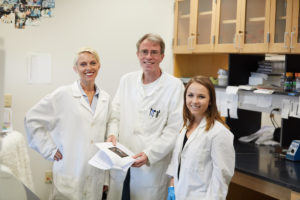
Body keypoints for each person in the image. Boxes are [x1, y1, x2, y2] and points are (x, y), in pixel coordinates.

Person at [24, 47, 111, 200]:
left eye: (92, 63)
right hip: (69, 172)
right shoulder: (63, 95)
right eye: (83, 64)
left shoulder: (105, 98)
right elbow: (31, 118)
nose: (88, 68)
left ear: (99, 66)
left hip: (96, 174)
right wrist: (49, 149)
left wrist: (105, 178)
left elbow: (105, 139)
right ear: (75, 68)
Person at [106, 33, 185, 200]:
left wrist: (150, 154)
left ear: (162, 56)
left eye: (154, 52)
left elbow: (173, 130)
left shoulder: (174, 86)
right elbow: (115, 114)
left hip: (151, 166)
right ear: (138, 55)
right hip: (122, 160)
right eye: (144, 51)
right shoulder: (127, 80)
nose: (149, 57)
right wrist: (112, 134)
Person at [166, 76, 235, 200]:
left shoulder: (219, 133)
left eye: (201, 97)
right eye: (190, 95)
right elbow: (177, 162)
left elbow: (221, 178)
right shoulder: (185, 126)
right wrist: (172, 186)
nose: (194, 101)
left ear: (210, 101)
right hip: (179, 193)